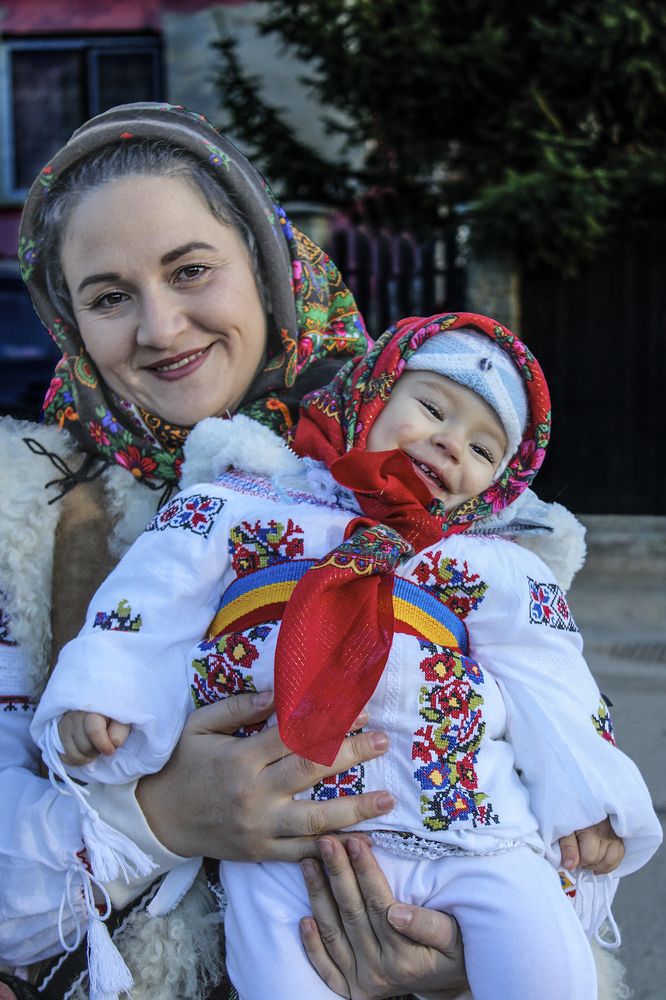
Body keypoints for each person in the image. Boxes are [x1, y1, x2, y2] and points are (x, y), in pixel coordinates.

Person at [32, 313, 662, 1000]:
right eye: (431, 408)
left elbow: (552, 677)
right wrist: (108, 690)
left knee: (550, 975)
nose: (452, 445)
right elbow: (157, 591)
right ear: (371, 392)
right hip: (282, 838)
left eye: (485, 451)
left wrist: (591, 799)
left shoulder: (492, 562)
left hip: (471, 830)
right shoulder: (249, 502)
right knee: (278, 979)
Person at [0, 103, 470, 1000]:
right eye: (109, 296)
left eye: (191, 270)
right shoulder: (24, 515)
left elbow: (560, 813)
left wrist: (457, 955)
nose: (162, 328)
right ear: (68, 323)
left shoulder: (430, 482)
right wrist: (161, 817)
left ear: (265, 266)